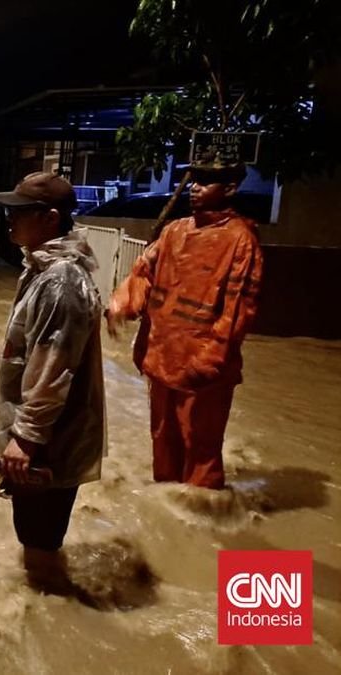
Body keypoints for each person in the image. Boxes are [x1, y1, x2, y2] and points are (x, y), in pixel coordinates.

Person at [106, 156, 263, 490]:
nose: (194, 188)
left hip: (202, 365)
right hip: (163, 356)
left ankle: (202, 515)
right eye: (195, 180)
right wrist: (122, 302)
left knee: (200, 446)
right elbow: (143, 273)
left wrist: (210, 360)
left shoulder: (240, 240)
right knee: (163, 438)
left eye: (205, 182)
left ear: (230, 188)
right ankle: (168, 504)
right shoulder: (174, 230)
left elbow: (237, 310)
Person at [0, 172, 106, 592]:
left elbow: (52, 369)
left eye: (20, 212)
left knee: (39, 549)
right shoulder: (46, 271)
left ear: (51, 218)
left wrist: (25, 437)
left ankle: (47, 616)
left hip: (49, 446)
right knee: (36, 539)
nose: (9, 219)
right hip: (47, 442)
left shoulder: (60, 283)